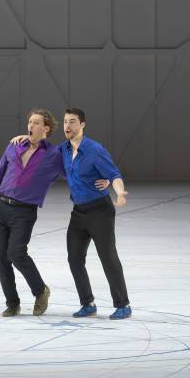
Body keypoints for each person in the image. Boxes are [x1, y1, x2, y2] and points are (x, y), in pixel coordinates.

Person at [0, 109, 108, 317]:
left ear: (46, 128)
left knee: (16, 253)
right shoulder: (14, 145)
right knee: (0, 257)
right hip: (0, 208)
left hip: (24, 211)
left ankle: (40, 291)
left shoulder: (54, 155)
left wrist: (104, 178)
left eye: (36, 123)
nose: (30, 126)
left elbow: (75, 170)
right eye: (30, 122)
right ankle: (12, 302)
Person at [61, 108, 132, 320]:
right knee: (74, 259)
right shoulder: (62, 150)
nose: (67, 126)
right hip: (78, 212)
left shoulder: (95, 150)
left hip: (100, 211)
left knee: (108, 257)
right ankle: (87, 303)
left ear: (82, 124)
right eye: (65, 122)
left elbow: (114, 174)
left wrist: (119, 192)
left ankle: (123, 305)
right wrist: (22, 138)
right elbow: (40, 150)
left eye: (72, 122)